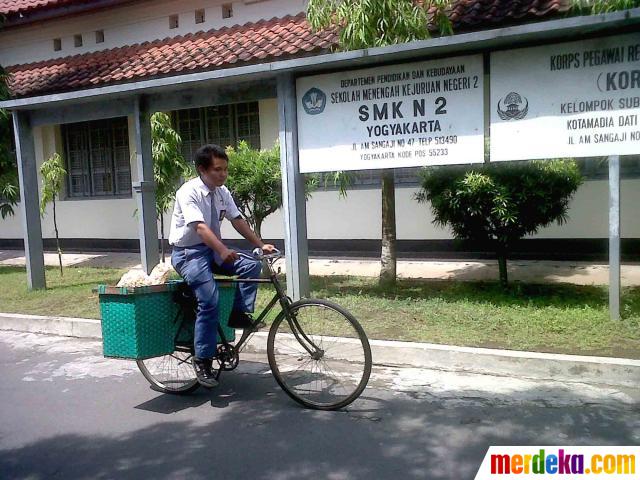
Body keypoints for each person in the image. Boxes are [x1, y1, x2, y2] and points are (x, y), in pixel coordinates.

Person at [169, 144, 276, 388]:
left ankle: (239, 314)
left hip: (212, 249)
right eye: (218, 170)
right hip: (189, 254)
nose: (223, 174)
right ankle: (203, 360)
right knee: (209, 301)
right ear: (202, 169)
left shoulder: (221, 192)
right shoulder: (189, 192)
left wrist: (261, 245)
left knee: (250, 265)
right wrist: (222, 250)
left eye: (225, 170)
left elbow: (237, 219)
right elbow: (200, 228)